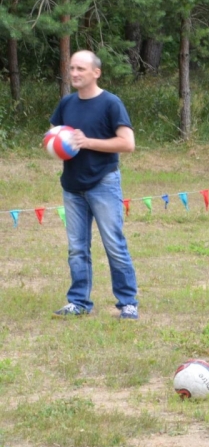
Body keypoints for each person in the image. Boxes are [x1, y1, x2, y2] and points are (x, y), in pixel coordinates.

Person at [50, 50, 139, 320]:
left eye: (80, 69)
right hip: (72, 186)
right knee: (77, 247)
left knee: (114, 244)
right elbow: (56, 135)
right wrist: (56, 143)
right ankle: (78, 302)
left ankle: (127, 302)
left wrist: (87, 142)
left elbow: (127, 143)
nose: (74, 73)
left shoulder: (111, 103)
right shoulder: (67, 103)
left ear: (96, 73)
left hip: (103, 182)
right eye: (72, 68)